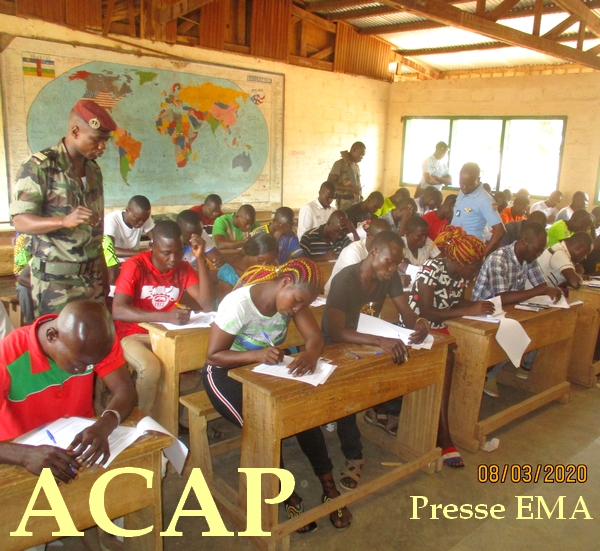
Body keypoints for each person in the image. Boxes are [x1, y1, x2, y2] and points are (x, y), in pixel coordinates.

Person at [202, 258, 351, 531]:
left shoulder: (294, 300)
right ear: (284, 282)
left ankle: (328, 486)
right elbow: (213, 355)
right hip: (224, 374)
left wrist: (310, 354)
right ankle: (286, 491)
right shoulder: (239, 304)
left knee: (302, 415)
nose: (296, 309)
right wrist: (256, 354)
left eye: (301, 305)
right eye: (295, 301)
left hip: (264, 368)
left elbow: (314, 337)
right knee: (264, 426)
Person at [322, 231, 429, 489]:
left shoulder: (388, 277)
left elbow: (406, 312)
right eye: (389, 262)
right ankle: (354, 455)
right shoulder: (346, 280)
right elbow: (335, 331)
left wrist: (420, 323)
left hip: (368, 341)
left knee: (405, 362)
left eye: (396, 264)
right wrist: (379, 341)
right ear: (373, 253)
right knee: (348, 389)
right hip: (336, 347)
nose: (392, 269)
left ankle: (383, 411)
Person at [0, 301, 136, 480]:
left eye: (91, 364)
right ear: (52, 336)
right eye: (79, 363)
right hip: (20, 455)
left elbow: (125, 391)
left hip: (77, 445)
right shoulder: (8, 354)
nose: (87, 368)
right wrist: (25, 456)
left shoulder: (95, 342)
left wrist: (104, 425)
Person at [10, 99, 117, 317]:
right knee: (58, 345)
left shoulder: (94, 171)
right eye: (96, 140)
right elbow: (20, 221)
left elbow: (95, 231)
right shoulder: (39, 168)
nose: (102, 147)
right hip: (55, 284)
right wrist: (62, 221)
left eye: (105, 141)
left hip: (92, 279)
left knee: (94, 345)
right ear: (75, 132)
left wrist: (104, 274)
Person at [404, 227, 494, 467]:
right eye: (473, 267)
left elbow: (456, 301)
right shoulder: (431, 270)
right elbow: (426, 311)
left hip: (445, 326)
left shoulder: (462, 274)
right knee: (449, 358)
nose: (474, 273)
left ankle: (457, 420)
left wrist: (476, 305)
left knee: (475, 350)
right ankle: (442, 435)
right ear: (459, 260)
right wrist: (468, 309)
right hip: (420, 329)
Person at [112, 221, 213, 416]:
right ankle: (142, 422)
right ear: (152, 248)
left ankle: (184, 418)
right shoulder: (135, 266)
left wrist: (200, 259)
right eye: (166, 253)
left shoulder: (183, 268)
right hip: (133, 335)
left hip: (169, 336)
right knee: (149, 368)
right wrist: (165, 316)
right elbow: (118, 310)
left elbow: (207, 304)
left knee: (209, 358)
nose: (173, 258)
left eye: (178, 251)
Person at [472, 223, 562, 397]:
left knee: (539, 324)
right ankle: (489, 373)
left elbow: (541, 285)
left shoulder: (529, 258)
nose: (539, 254)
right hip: (483, 313)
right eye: (537, 249)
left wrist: (548, 291)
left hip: (507, 311)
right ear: (524, 241)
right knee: (521, 330)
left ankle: (500, 370)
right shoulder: (499, 258)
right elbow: (502, 297)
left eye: (541, 250)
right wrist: (542, 290)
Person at [324, 218, 392, 296]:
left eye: (388, 239)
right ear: (369, 235)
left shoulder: (384, 251)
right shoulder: (352, 252)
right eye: (381, 239)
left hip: (363, 294)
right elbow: (356, 283)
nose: (385, 243)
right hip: (336, 296)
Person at [450, 162, 506, 254]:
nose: (464, 187)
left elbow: (500, 231)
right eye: (461, 183)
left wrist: (483, 255)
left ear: (478, 179)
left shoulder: (485, 200)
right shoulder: (464, 191)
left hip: (471, 251)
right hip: (455, 247)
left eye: (469, 184)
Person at [103, 195, 155, 284]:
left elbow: (156, 238)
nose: (141, 223)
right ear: (127, 210)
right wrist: (143, 252)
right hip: (114, 264)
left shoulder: (144, 217)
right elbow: (110, 250)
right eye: (138, 219)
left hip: (134, 262)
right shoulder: (111, 220)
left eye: (144, 220)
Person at [327, 142, 366, 211]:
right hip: (343, 204)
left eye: (363, 156)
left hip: (355, 203)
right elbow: (330, 184)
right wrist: (349, 188)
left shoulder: (356, 166)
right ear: (354, 150)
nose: (361, 158)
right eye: (360, 155)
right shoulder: (339, 164)